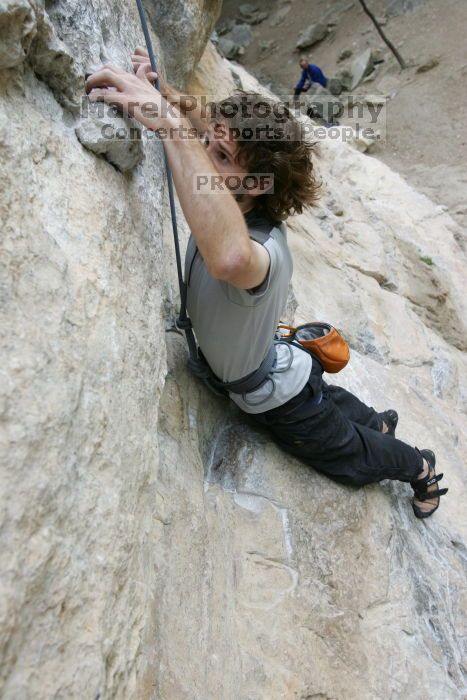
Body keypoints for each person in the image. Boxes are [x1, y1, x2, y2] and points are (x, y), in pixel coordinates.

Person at [84, 49, 447, 519]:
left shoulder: (263, 250)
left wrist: (168, 125)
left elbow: (229, 257)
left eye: (222, 156)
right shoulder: (237, 191)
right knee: (329, 401)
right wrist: (167, 98)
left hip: (278, 399)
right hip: (283, 365)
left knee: (352, 458)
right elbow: (206, 123)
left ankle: (419, 466)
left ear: (256, 183)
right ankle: (377, 421)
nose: (207, 160)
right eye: (209, 148)